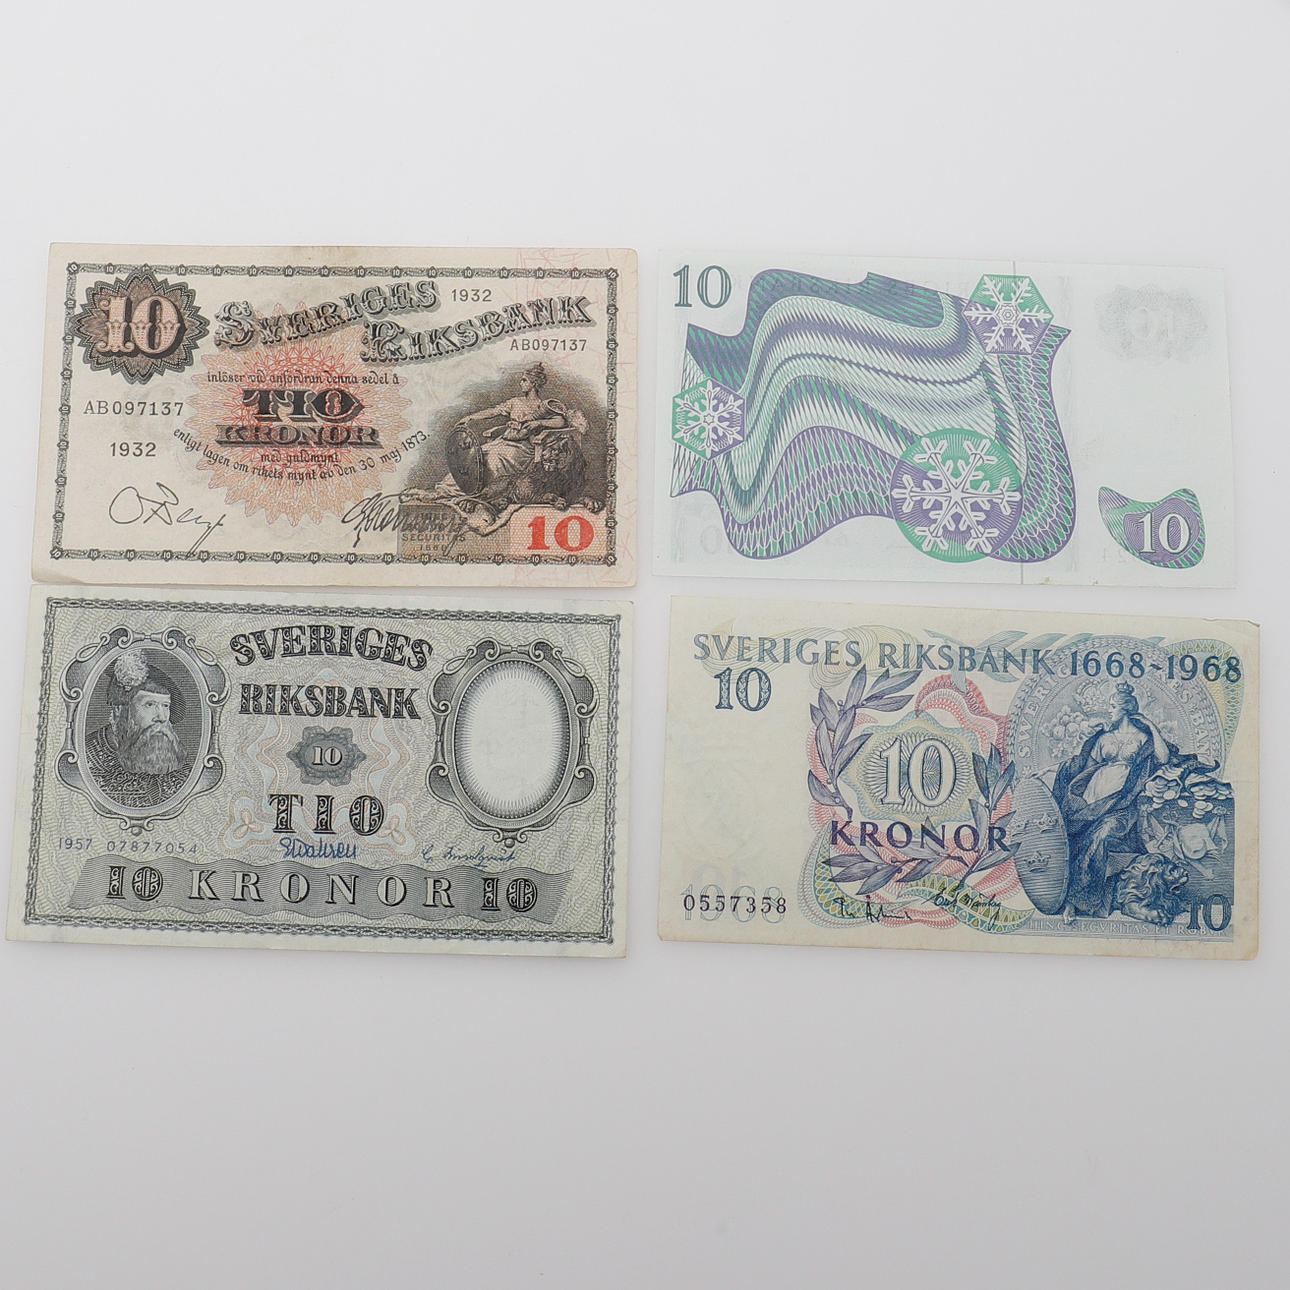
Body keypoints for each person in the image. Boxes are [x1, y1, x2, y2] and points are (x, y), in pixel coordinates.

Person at [1051, 682, 1170, 922]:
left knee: (1102, 835)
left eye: (1113, 706)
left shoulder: (1142, 738)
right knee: (1073, 836)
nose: (1109, 711)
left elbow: (1163, 757)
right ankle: (1069, 900)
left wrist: (1152, 726)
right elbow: (1085, 770)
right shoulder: (1103, 738)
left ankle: (1080, 901)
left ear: (1125, 709)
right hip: (1093, 802)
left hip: (1122, 805)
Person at [85, 650, 191, 809]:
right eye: (150, 704)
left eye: (165, 706)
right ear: (119, 710)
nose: (162, 717)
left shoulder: (179, 768)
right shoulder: (86, 761)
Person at [454, 362, 571, 491]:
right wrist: (470, 417)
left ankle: (488, 491)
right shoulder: (515, 402)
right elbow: (493, 411)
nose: (521, 383)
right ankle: (466, 488)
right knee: (478, 454)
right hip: (504, 441)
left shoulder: (542, 406)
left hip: (524, 448)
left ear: (534, 383)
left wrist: (539, 423)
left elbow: (561, 422)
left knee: (494, 458)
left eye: (524, 380)